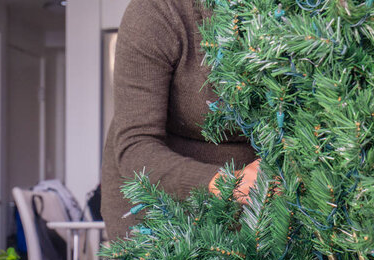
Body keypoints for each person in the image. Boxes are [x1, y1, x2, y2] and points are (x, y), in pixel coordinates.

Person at [101, 0, 259, 241]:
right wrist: (227, 184)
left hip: (261, 204)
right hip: (158, 202)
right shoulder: (156, 10)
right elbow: (135, 147)